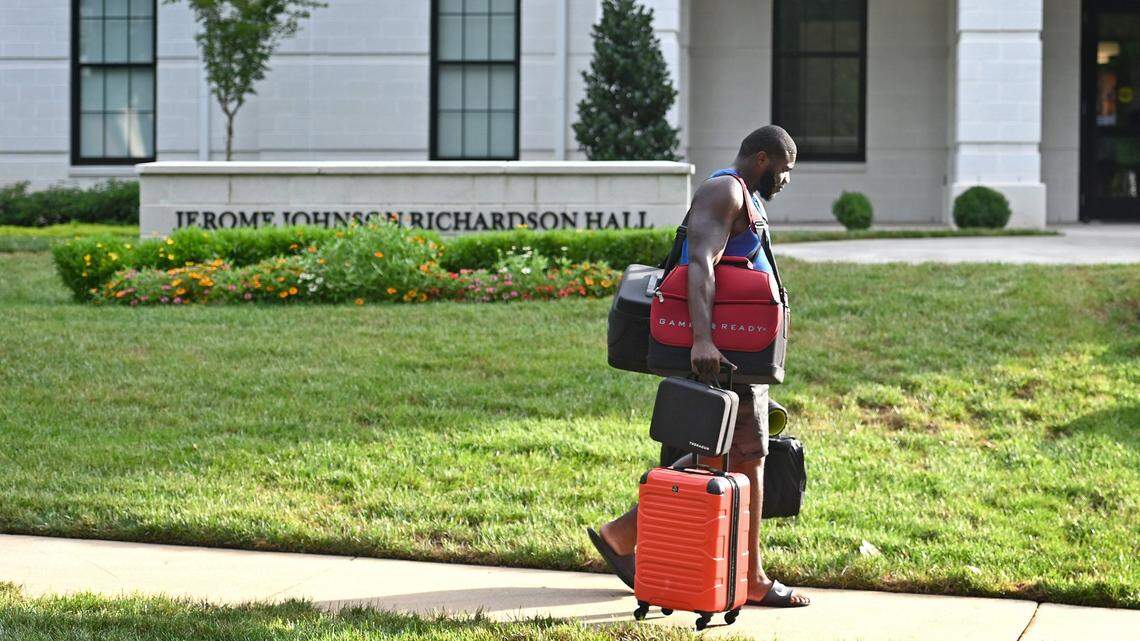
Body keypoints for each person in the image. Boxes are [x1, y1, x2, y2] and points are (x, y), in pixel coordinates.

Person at [587, 125, 810, 608]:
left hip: (738, 358)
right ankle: (633, 538)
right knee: (730, 456)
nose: (786, 180)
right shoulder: (724, 189)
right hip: (713, 354)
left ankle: (631, 538)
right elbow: (702, 264)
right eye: (785, 170)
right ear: (763, 158)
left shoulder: (745, 196)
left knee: (744, 457)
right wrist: (703, 340)